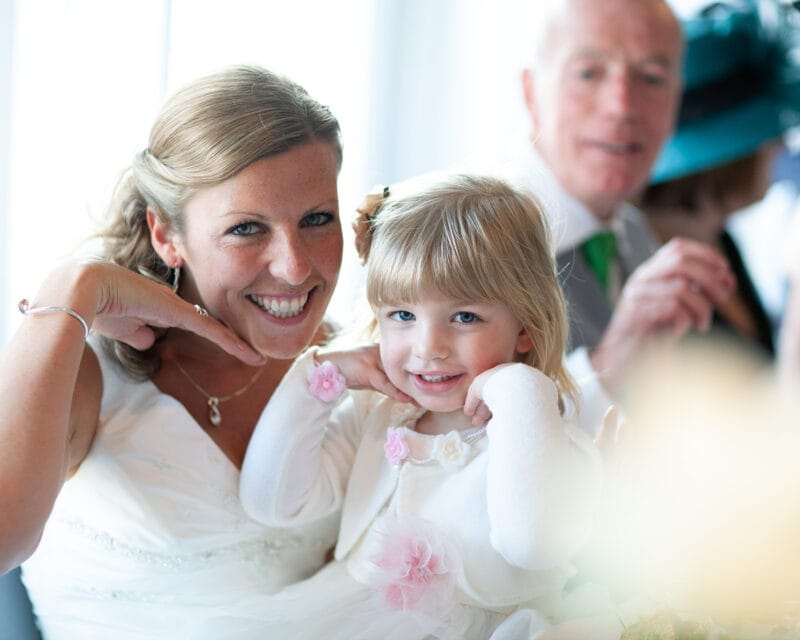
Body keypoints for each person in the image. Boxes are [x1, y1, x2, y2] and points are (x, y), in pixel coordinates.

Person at [0, 65, 394, 638]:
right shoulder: (87, 372)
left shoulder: (356, 363)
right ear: (166, 234)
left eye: (316, 219)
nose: (295, 267)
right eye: (246, 229)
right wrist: (72, 289)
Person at [235, 173, 602, 639]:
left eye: (465, 317)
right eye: (403, 316)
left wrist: (520, 389)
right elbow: (272, 501)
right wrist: (320, 376)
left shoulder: (545, 441)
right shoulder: (376, 418)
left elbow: (532, 544)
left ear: (526, 326)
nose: (428, 347)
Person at [518, 0, 736, 433]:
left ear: (675, 102)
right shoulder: (467, 239)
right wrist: (611, 363)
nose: (621, 106)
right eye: (588, 73)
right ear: (530, 93)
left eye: (652, 78)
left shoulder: (635, 233)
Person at [637, 1, 800, 361]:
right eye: (769, 131)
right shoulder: (643, 267)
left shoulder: (716, 239)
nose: (781, 144)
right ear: (724, 159)